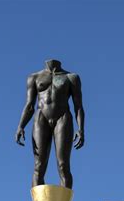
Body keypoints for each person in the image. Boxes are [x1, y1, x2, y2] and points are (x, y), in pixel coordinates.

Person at [15, 59, 84, 189]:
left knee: (63, 165)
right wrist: (21, 126)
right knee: (38, 166)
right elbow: (29, 105)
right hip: (41, 118)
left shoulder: (71, 77)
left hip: (62, 118)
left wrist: (81, 129)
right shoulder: (34, 77)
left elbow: (78, 106)